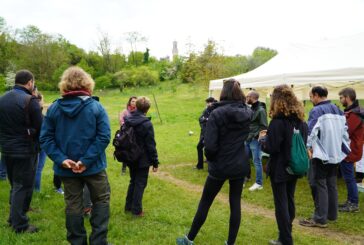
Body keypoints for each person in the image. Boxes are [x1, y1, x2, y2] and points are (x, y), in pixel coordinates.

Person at [40, 66, 111, 244]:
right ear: (87, 83)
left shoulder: (54, 108)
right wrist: (79, 161)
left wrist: (63, 160)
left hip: (71, 168)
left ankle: (78, 242)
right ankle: (98, 241)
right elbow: (104, 137)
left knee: (73, 204)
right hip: (93, 167)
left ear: (65, 85)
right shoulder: (96, 107)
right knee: (101, 200)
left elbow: (46, 138)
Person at [176, 79, 252, 245]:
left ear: (223, 93)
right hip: (239, 163)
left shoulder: (219, 113)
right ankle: (230, 242)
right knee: (235, 203)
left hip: (223, 164)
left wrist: (211, 159)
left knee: (206, 202)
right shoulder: (246, 112)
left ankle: (189, 239)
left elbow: (209, 145)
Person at [259, 84, 308, 245]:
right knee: (289, 200)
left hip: (280, 168)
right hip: (294, 167)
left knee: (281, 204)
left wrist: (262, 140)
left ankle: (286, 239)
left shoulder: (277, 122)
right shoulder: (301, 122)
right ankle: (285, 235)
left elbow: (271, 148)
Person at [299, 85, 350, 228]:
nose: (310, 100)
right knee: (331, 184)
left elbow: (311, 131)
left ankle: (320, 218)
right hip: (335, 153)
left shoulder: (317, 110)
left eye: (310, 97)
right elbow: (345, 133)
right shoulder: (338, 110)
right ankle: (332, 215)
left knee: (320, 184)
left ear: (316, 95)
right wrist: (342, 149)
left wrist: (308, 147)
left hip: (321, 153)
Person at [0, 70, 42, 233]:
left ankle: (14, 217)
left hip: (6, 149)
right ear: (30, 82)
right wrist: (29, 132)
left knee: (15, 185)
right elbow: (40, 126)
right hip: (25, 150)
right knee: (23, 186)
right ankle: (20, 225)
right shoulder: (29, 100)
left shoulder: (2, 99)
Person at [124, 96, 159, 217]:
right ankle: (136, 210)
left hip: (130, 156)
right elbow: (151, 145)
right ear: (147, 109)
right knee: (140, 183)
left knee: (133, 181)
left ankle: (128, 206)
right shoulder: (147, 124)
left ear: (136, 106)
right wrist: (155, 162)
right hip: (142, 159)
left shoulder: (127, 118)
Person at [338, 88, 364, 212]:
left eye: (341, 98)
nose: (340, 100)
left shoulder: (355, 114)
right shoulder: (352, 112)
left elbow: (347, 131)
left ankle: (354, 204)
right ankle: (350, 201)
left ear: (347, 98)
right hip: (348, 148)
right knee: (348, 177)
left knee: (349, 178)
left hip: (350, 149)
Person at [245, 90, 268, 191]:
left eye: (247, 97)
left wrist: (256, 136)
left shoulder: (261, 110)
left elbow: (264, 127)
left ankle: (259, 183)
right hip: (247, 138)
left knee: (256, 161)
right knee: (244, 158)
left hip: (255, 140)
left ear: (252, 97)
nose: (246, 98)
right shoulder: (251, 108)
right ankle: (245, 177)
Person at [32, 87, 47, 192]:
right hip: (40, 144)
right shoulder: (40, 115)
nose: (43, 102)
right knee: (38, 168)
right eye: (42, 100)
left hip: (36, 143)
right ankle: (36, 190)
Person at [195, 97, 216, 169]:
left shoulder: (216, 110)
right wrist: (205, 119)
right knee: (199, 147)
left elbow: (212, 121)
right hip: (204, 133)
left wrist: (206, 119)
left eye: (208, 103)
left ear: (212, 102)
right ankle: (200, 165)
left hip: (211, 134)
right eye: (207, 103)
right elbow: (200, 119)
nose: (207, 104)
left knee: (209, 149)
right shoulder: (206, 110)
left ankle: (211, 167)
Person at [119, 96, 137, 174]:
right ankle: (124, 168)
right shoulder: (125, 112)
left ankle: (133, 167)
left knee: (134, 150)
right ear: (129, 102)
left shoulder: (138, 112)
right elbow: (121, 121)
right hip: (125, 134)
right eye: (132, 101)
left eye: (135, 101)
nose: (134, 103)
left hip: (135, 134)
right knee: (126, 150)